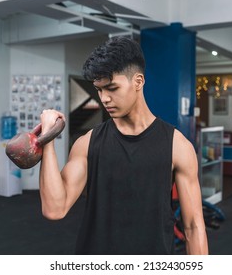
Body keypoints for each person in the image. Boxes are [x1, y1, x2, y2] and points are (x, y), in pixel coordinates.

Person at [38, 37, 208, 255]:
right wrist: (47, 139)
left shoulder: (177, 145)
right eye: (99, 90)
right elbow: (54, 209)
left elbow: (194, 227)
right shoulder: (87, 143)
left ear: (138, 82)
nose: (104, 99)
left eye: (112, 88)